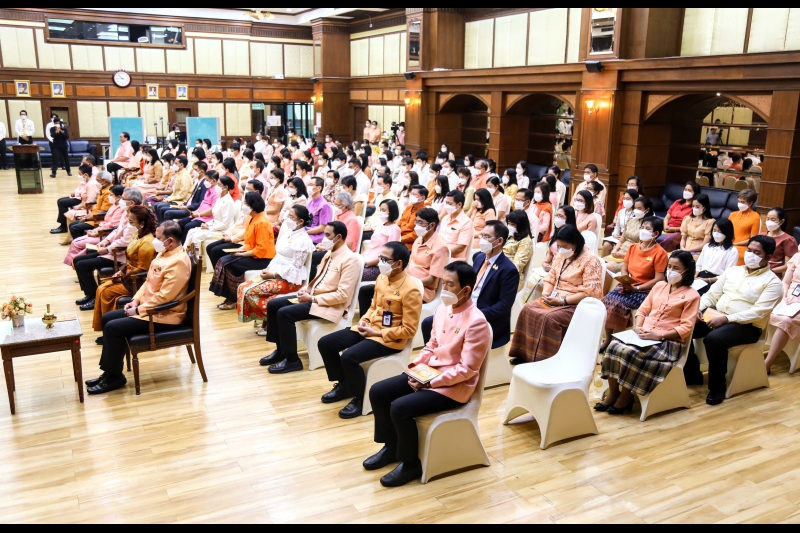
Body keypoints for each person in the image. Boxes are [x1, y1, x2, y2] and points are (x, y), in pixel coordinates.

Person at [365, 261, 491, 488]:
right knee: (379, 392)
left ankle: (410, 463)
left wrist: (431, 382)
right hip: (430, 373)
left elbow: (467, 369)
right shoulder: (442, 309)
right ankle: (390, 447)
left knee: (400, 407)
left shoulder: (477, 322)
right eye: (444, 283)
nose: (445, 289)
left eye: (451, 285)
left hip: (454, 386)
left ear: (466, 290)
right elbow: (431, 346)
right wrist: (414, 370)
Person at [319, 242, 422, 419]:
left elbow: (409, 330)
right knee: (326, 343)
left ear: (398, 263)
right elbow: (374, 306)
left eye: (384, 259)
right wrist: (365, 321)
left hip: (388, 339)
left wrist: (377, 333)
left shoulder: (411, 289)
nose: (379, 261)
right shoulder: (382, 278)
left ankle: (359, 399)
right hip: (370, 328)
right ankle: (344, 385)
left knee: (349, 357)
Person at [88, 222, 191, 395]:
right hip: (149, 308)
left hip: (164, 315)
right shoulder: (163, 253)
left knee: (113, 328)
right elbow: (148, 282)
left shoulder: (178, 262)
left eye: (158, 238)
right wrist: (135, 301)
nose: (155, 241)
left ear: (171, 241)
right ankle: (109, 372)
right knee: (107, 319)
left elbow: (166, 297)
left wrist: (139, 310)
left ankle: (115, 377)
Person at [598, 251, 701, 414]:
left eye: (676, 268)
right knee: (613, 347)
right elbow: (643, 310)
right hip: (644, 335)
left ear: (687, 271)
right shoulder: (659, 286)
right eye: (669, 267)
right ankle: (613, 393)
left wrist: (658, 336)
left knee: (630, 353)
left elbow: (686, 327)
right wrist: (638, 326)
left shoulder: (692, 295)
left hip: (667, 343)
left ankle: (626, 396)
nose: (670, 271)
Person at [685, 236, 783, 405]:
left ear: (768, 257)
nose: (750, 255)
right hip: (717, 315)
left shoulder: (773, 283)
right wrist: (698, 309)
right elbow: (712, 294)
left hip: (747, 326)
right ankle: (693, 374)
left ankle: (717, 387)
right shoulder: (733, 271)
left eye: (757, 252)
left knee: (714, 339)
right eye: (749, 250)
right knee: (685, 327)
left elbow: (758, 312)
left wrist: (727, 319)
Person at [261, 221, 362, 374]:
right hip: (314, 298)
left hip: (329, 305)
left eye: (327, 235)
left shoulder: (350, 259)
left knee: (284, 313)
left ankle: (292, 360)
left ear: (339, 237)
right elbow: (318, 279)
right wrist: (306, 291)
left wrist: (312, 299)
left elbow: (342, 295)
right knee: (274, 304)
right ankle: (281, 350)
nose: (324, 239)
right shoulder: (330, 253)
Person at [509, 225, 604, 364]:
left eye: (564, 246)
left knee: (549, 318)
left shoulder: (591, 260)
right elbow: (551, 277)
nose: (560, 250)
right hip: (556, 296)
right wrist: (547, 291)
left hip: (576, 303)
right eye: (559, 246)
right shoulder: (562, 255)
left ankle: (545, 360)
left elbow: (589, 292)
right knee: (527, 309)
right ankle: (525, 354)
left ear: (576, 243)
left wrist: (562, 301)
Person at [421, 221, 518, 351]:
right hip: (464, 308)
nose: (482, 240)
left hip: (483, 317)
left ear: (499, 241)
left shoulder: (508, 270)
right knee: (428, 323)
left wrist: (473, 314)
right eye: (482, 235)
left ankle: (451, 361)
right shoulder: (479, 257)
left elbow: (503, 307)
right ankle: (436, 355)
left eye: (487, 237)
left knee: (454, 332)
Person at [238, 205, 316, 335]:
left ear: (301, 221)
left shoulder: (303, 240)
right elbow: (278, 256)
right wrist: (268, 269)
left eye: (291, 217)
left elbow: (295, 266)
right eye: (288, 216)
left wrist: (273, 274)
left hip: (289, 281)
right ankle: (266, 321)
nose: (287, 219)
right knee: (243, 287)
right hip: (275, 274)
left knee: (250, 291)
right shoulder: (289, 234)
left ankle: (271, 322)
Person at [600, 217, 669, 351]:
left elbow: (658, 279)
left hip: (645, 290)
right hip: (628, 285)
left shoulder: (660, 253)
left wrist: (635, 288)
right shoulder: (633, 247)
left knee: (618, 304)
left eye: (647, 229)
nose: (643, 230)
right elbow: (625, 268)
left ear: (656, 234)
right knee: (606, 300)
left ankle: (617, 342)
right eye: (642, 227)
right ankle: (608, 339)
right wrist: (625, 280)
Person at [90, 206, 157, 333]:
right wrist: (121, 270)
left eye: (131, 222)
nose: (128, 225)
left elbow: (142, 269)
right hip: (128, 274)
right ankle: (105, 328)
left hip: (136, 280)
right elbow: (130, 260)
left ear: (142, 223)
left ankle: (110, 329)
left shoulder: (147, 242)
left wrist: (122, 277)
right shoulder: (136, 235)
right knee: (101, 287)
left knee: (105, 292)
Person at [210, 192, 276, 310]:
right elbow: (249, 242)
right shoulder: (252, 219)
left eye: (246, 203)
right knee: (223, 260)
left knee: (230, 265)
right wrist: (240, 250)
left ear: (253, 205)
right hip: (253, 254)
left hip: (263, 259)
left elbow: (261, 249)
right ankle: (228, 296)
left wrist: (242, 254)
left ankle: (234, 299)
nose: (243, 205)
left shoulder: (262, 222)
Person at [63, 185, 126, 267]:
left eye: (111, 195)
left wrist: (96, 232)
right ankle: (77, 266)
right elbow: (106, 222)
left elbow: (112, 226)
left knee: (76, 243)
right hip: (101, 231)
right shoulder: (114, 205)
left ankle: (78, 266)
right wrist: (96, 229)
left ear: (118, 197)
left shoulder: (121, 209)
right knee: (75, 240)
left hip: (104, 234)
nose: (109, 197)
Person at [405, 208, 450, 304]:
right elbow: (409, 265)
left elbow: (431, 280)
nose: (417, 226)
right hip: (407, 283)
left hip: (423, 290)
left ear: (432, 225)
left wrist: (409, 283)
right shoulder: (418, 240)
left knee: (392, 297)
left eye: (421, 223)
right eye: (416, 222)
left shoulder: (440, 248)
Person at [766, 251, 800, 373]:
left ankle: (767, 363)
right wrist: (783, 296)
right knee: (763, 310)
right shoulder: (797, 256)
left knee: (786, 320)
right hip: (788, 298)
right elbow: (785, 282)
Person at [184, 175, 238, 251]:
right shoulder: (220, 198)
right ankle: (186, 254)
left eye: (219, 184)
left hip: (222, 231)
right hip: (215, 226)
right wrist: (207, 224)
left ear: (225, 187)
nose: (216, 186)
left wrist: (209, 227)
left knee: (196, 236)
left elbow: (225, 224)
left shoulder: (228, 202)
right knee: (191, 231)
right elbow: (215, 217)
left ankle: (199, 259)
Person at [603, 196, 652, 274]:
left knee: (605, 268)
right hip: (620, 251)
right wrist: (615, 249)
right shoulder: (631, 220)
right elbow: (622, 239)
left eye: (639, 208)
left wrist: (622, 255)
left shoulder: (649, 226)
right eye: (635, 208)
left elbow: (643, 249)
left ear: (647, 210)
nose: (636, 210)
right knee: (598, 264)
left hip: (631, 256)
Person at [695, 219, 739, 296]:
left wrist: (707, 280)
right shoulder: (707, 246)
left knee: (700, 295)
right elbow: (699, 265)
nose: (716, 234)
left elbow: (727, 275)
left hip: (715, 280)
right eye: (714, 230)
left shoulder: (732, 251)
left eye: (720, 232)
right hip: (700, 276)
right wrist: (694, 275)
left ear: (727, 233)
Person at [68, 171, 115, 240]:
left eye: (98, 180)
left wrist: (87, 219)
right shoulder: (103, 189)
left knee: (75, 228)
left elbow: (103, 212)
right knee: (72, 224)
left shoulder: (108, 192)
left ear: (105, 182)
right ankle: (80, 242)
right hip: (93, 215)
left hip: (99, 220)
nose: (96, 182)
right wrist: (86, 216)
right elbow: (96, 207)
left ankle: (81, 244)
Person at [176, 171, 221, 237]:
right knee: (180, 223)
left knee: (188, 226)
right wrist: (196, 212)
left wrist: (198, 214)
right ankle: (179, 244)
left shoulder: (216, 193)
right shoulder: (208, 189)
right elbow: (203, 203)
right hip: (199, 215)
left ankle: (185, 246)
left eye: (206, 180)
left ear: (214, 181)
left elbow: (212, 210)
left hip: (207, 218)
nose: (205, 182)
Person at [659, 182, 701, 252]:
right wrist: (665, 225)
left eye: (689, 190)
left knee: (667, 240)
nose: (686, 192)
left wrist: (673, 229)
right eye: (685, 189)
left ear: (695, 193)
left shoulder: (695, 208)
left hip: (680, 232)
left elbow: (689, 227)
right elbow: (667, 217)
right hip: (667, 229)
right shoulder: (677, 202)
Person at [761, 208, 798, 279]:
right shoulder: (760, 236)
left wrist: (769, 271)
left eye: (773, 219)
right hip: (756, 271)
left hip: (773, 275)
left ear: (782, 221)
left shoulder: (788, 240)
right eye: (768, 219)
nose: (769, 221)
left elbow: (789, 265)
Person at [602, 189, 639, 257]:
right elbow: (617, 226)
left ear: (634, 200)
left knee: (616, 249)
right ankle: (603, 264)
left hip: (629, 238)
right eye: (624, 198)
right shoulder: (621, 211)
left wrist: (623, 237)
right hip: (618, 236)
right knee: (606, 245)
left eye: (628, 199)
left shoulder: (637, 213)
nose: (625, 201)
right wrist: (615, 234)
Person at [504, 210, 534, 291]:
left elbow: (516, 266)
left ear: (521, 225)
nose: (509, 226)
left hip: (511, 277)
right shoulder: (509, 235)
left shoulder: (526, 241)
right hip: (498, 269)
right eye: (509, 223)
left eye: (513, 224)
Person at [730, 190, 762, 265]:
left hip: (743, 247)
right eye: (739, 201)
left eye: (743, 202)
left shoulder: (755, 217)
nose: (740, 204)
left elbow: (753, 239)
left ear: (750, 203)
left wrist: (736, 244)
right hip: (729, 244)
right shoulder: (732, 214)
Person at [542, 207, 577, 272]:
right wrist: (545, 263)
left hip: (565, 270)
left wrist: (555, 268)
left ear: (569, 218)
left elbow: (572, 260)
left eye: (561, 216)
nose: (558, 218)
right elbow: (551, 253)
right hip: (552, 268)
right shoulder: (554, 232)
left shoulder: (573, 236)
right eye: (557, 215)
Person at [399, 185, 428, 250]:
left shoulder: (424, 213)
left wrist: (400, 239)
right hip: (399, 237)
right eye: (411, 193)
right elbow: (400, 221)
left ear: (422, 198)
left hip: (410, 243)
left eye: (414, 194)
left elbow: (416, 234)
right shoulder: (409, 207)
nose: (411, 196)